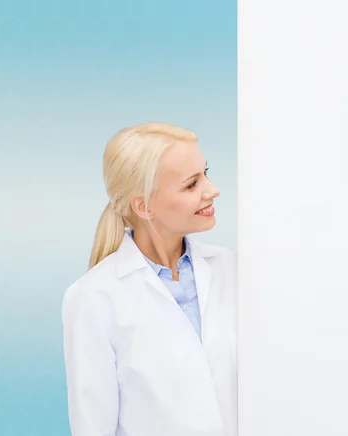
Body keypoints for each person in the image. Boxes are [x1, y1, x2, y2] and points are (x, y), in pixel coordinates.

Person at [61, 122, 237, 436]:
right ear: (144, 206)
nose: (212, 190)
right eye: (191, 184)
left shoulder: (231, 270)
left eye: (206, 173)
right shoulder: (93, 298)